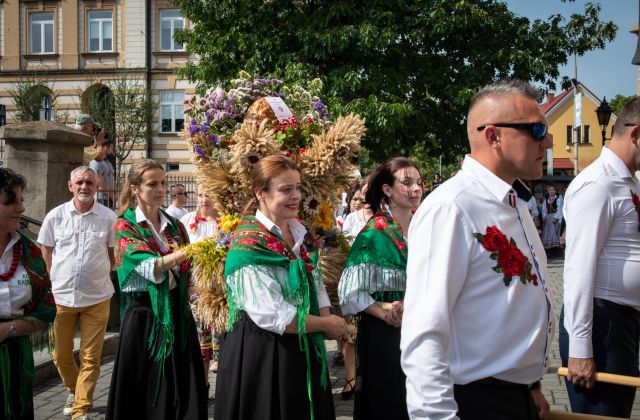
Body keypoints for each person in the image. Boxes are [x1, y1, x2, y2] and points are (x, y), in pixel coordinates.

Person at [401, 80, 554, 420]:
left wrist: (530, 388)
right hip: (475, 402)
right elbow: (424, 331)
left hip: (515, 397)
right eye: (536, 129)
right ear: (493, 136)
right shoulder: (451, 207)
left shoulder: (515, 202)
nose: (547, 141)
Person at [214, 154, 347, 420]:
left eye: (298, 188)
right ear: (260, 193)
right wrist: (326, 325)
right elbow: (271, 314)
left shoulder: (300, 232)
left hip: (303, 339)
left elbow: (315, 280)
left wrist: (325, 316)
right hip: (264, 351)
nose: (295, 195)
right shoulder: (248, 243)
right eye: (286, 190)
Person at [105, 159, 207, 419]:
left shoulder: (175, 225)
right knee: (147, 391)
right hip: (144, 320)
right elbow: (149, 265)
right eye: (152, 184)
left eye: (163, 183)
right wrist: (189, 251)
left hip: (178, 315)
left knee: (182, 387)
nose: (160, 189)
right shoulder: (125, 226)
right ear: (135, 189)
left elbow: (189, 272)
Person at [560, 97, 640, 417]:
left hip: (621, 324)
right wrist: (581, 349)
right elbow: (578, 269)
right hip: (601, 324)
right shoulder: (598, 184)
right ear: (635, 134)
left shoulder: (627, 180)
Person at [338, 157, 421, 420]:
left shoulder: (427, 225)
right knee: (390, 399)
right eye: (407, 183)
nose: (417, 188)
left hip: (423, 325)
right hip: (386, 333)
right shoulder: (373, 234)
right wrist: (385, 311)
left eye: (419, 182)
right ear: (387, 190)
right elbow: (350, 291)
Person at [38, 166, 116, 419]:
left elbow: (114, 255)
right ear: (70, 186)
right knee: (60, 355)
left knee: (91, 358)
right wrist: (54, 275)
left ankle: (80, 409)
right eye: (80, 182)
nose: (84, 187)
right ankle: (74, 388)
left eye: (89, 183)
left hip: (97, 298)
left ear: (97, 187)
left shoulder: (108, 217)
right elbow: (46, 248)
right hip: (61, 297)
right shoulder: (56, 216)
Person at [0, 168, 55, 420]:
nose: (21, 208)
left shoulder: (28, 252)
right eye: (10, 201)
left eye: (21, 200)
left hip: (17, 358)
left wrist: (9, 329)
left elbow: (47, 307)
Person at [180, 184, 219, 389]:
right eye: (201, 195)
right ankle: (202, 387)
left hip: (219, 292)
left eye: (209, 195)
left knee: (220, 341)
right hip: (195, 290)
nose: (204, 200)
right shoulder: (187, 221)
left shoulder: (226, 223)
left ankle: (225, 389)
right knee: (201, 341)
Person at [89, 138, 116, 208]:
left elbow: (112, 177)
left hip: (109, 197)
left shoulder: (108, 162)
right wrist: (111, 195)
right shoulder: (96, 162)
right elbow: (100, 181)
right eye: (111, 148)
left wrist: (114, 194)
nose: (112, 150)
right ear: (106, 147)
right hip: (101, 197)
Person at [541, 184, 563, 250]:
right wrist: (544, 217)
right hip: (548, 218)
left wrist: (556, 217)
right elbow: (544, 209)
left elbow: (560, 209)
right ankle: (549, 249)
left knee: (554, 233)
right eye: (550, 190)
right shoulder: (546, 200)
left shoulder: (558, 199)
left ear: (555, 191)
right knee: (547, 233)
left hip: (555, 217)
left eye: (552, 190)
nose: (551, 191)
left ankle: (555, 248)